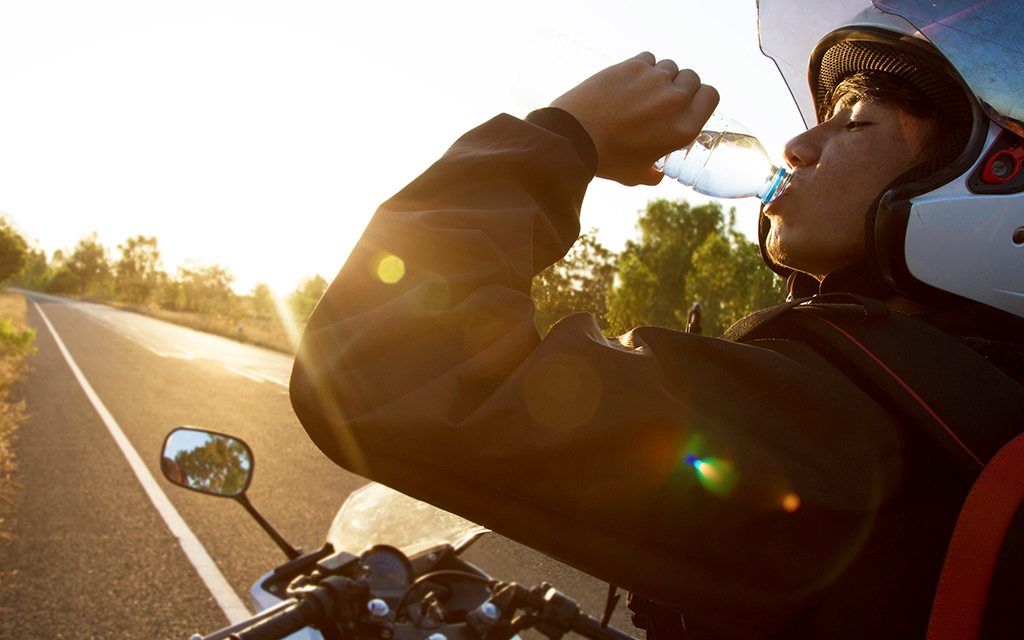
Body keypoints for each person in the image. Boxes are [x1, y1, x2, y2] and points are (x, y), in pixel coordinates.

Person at [290, 1, 1024, 637]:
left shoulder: (858, 429)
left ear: (993, 179)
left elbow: (386, 368)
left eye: (855, 124)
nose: (798, 145)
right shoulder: (966, 403)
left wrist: (564, 136)